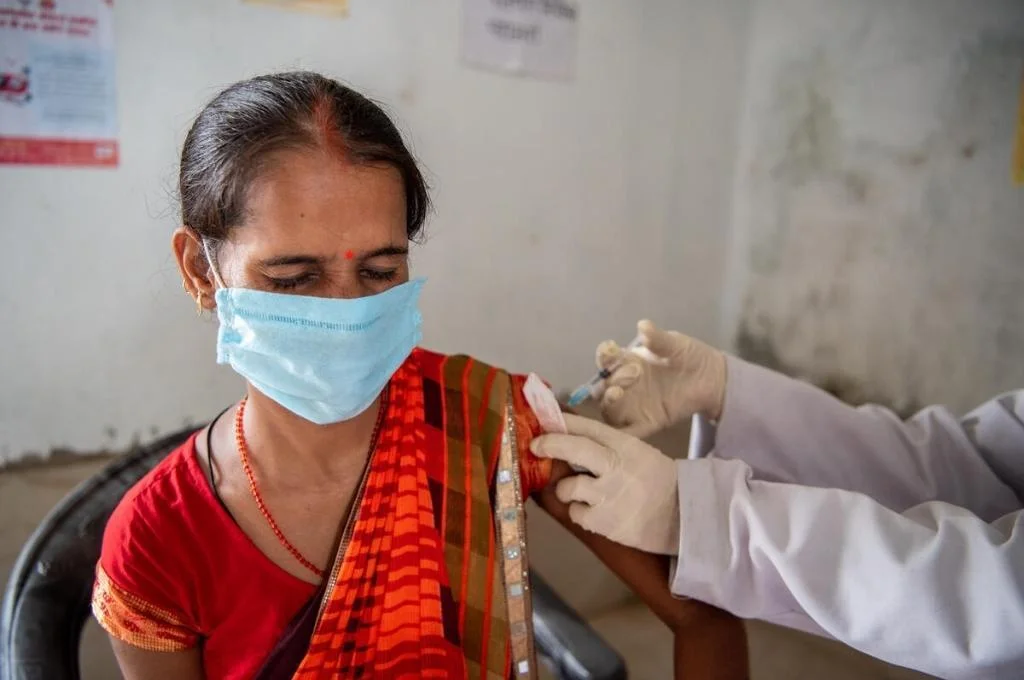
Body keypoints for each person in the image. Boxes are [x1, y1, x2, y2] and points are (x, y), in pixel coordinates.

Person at [89, 73, 748, 680]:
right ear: (200, 273)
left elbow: (702, 610)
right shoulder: (157, 539)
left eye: (380, 273)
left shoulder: (486, 420)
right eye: (294, 279)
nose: (348, 313)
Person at [531, 320, 1024, 680]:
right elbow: (961, 473)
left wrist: (702, 520)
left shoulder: (486, 402)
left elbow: (1001, 602)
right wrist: (729, 389)